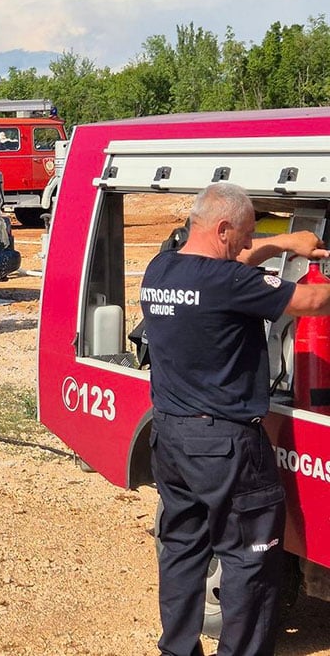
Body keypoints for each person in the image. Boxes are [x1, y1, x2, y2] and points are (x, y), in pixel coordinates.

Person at [140, 182, 330, 656]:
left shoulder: (161, 269)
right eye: (244, 236)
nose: (247, 245)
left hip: (171, 436)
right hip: (225, 445)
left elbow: (229, 273)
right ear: (223, 229)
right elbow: (312, 304)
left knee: (183, 551)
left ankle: (178, 649)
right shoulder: (226, 283)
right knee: (250, 558)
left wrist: (281, 243)